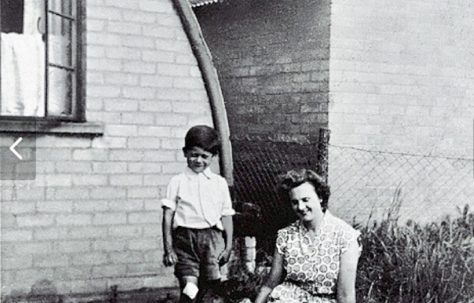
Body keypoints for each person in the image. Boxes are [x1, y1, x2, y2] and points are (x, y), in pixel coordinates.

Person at [254, 169, 362, 303]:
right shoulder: (286, 235)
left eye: (305, 200)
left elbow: (345, 295)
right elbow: (270, 284)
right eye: (295, 202)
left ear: (320, 197)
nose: (300, 207)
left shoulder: (345, 236)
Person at [161, 125, 235, 303]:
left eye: (204, 156)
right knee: (189, 288)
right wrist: (168, 248)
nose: (198, 160)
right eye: (194, 154)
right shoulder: (177, 181)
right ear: (185, 153)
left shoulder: (219, 183)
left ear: (213, 156)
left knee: (210, 289)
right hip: (185, 239)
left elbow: (226, 215)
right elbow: (167, 216)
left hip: (212, 239)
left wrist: (228, 245)